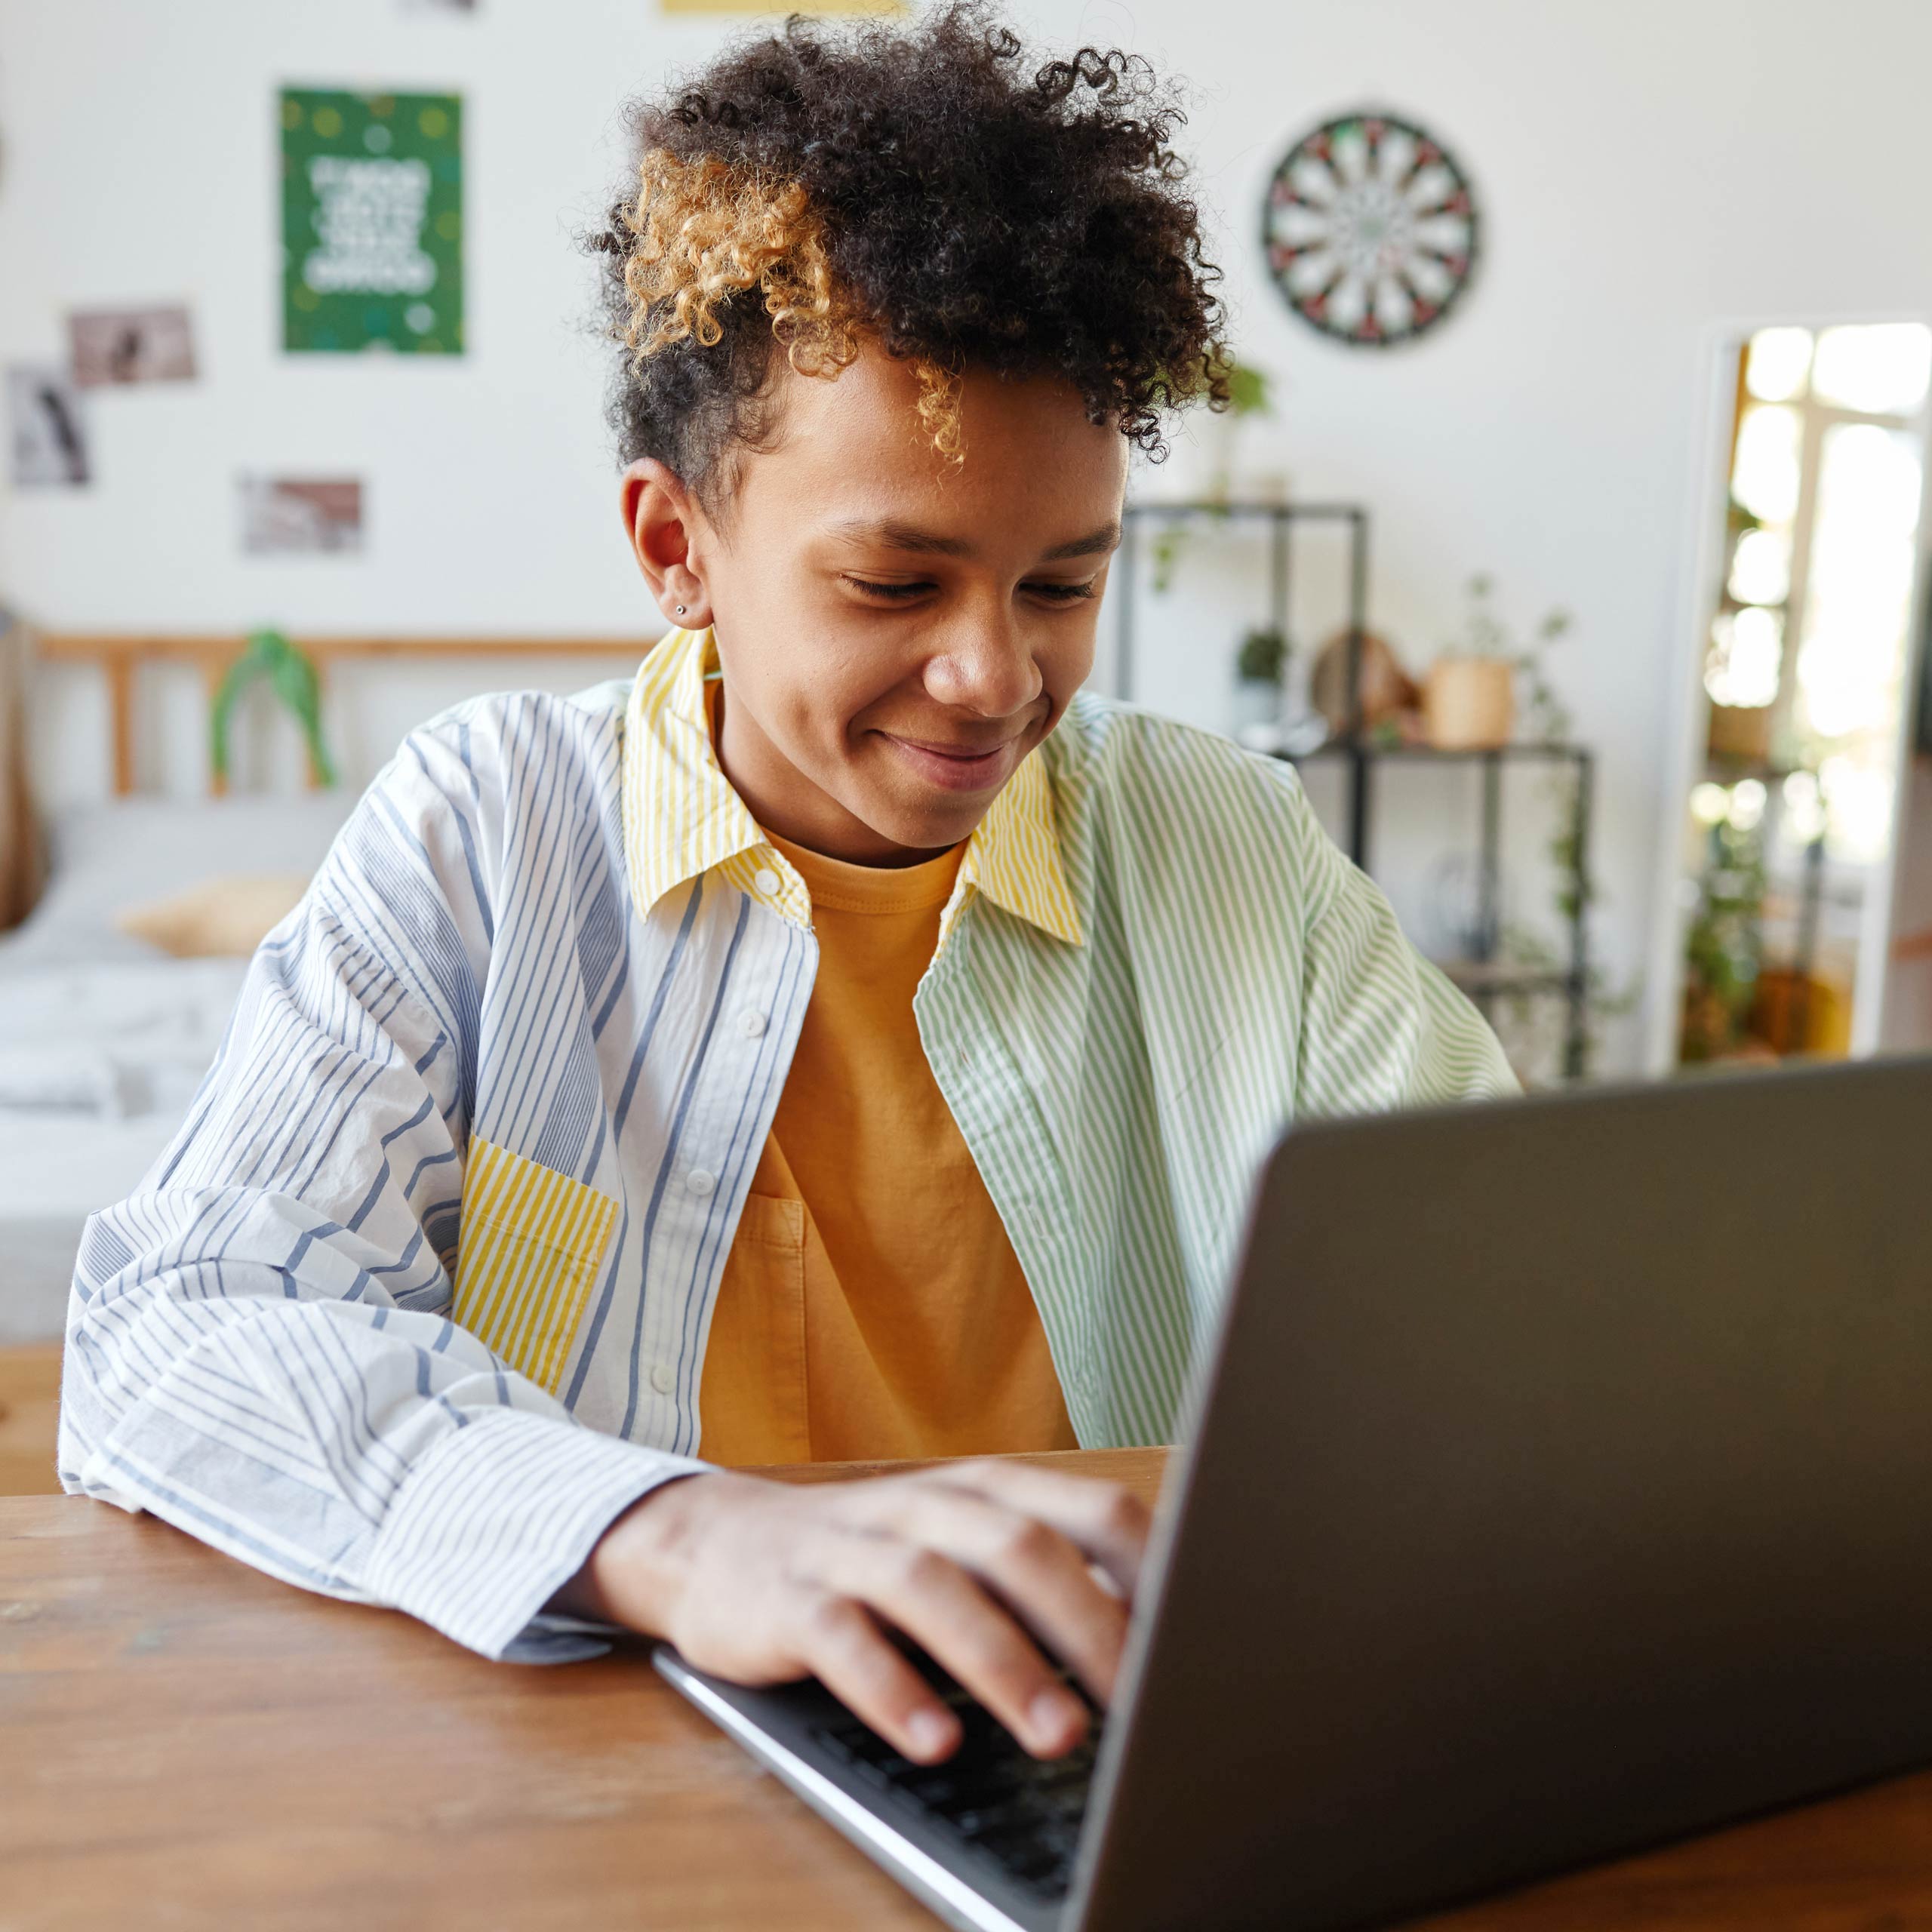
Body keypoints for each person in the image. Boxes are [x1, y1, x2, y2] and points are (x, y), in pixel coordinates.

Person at [59, 5, 1513, 1772]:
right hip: (603, 1755)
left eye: (1060, 584)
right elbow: (179, 1336)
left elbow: (1505, 1293)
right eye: (897, 583)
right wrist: (672, 1528)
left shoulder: (1223, 844)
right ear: (678, 547)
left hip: (1091, 1742)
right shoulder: (486, 832)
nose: (992, 674)